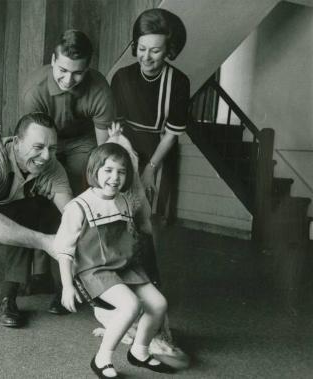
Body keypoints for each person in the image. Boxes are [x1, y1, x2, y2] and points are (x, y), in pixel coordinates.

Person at [110, 8, 190, 369]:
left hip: (157, 158)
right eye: (142, 48)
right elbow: (115, 130)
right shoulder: (122, 78)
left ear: (168, 48)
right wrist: (127, 167)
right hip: (125, 156)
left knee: (147, 234)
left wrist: (151, 171)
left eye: (155, 50)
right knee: (120, 233)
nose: (147, 56)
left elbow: (172, 133)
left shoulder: (180, 82)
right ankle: (122, 312)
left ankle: (155, 325)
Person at [55, 143, 174, 378]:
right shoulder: (79, 206)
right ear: (94, 170)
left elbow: (133, 236)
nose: (114, 177)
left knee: (158, 304)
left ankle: (139, 352)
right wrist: (67, 286)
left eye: (121, 172)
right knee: (130, 305)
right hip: (94, 270)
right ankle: (102, 359)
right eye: (108, 170)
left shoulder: (124, 201)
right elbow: (64, 249)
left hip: (124, 266)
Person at [21, 29, 115, 310]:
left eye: (78, 73)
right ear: (52, 59)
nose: (68, 79)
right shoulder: (34, 90)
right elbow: (35, 142)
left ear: (88, 68)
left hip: (82, 143)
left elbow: (103, 152)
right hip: (44, 142)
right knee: (38, 197)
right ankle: (40, 274)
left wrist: (98, 188)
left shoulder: (100, 89)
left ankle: (76, 282)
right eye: (62, 70)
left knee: (76, 204)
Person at [0, 112, 73, 328]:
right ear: (17, 143)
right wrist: (45, 241)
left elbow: (73, 216)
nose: (46, 156)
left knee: (37, 209)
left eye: (52, 148)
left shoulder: (52, 165)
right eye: (38, 147)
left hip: (10, 211)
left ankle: (11, 295)